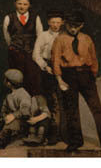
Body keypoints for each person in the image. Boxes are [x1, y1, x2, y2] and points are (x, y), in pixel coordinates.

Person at [51, 10, 101, 152]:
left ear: (82, 25)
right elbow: (55, 60)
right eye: (70, 26)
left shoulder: (87, 39)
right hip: (69, 76)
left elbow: (93, 59)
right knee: (72, 110)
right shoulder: (60, 39)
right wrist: (59, 80)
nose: (73, 29)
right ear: (65, 24)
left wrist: (92, 75)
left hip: (86, 76)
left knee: (97, 109)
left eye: (77, 26)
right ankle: (76, 142)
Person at [0, 69, 51, 150]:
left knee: (13, 125)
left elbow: (25, 111)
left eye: (5, 79)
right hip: (12, 122)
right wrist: (4, 116)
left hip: (23, 122)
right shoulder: (8, 96)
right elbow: (4, 109)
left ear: (9, 83)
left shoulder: (23, 94)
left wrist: (13, 115)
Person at [32, 10, 66, 144]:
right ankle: (50, 134)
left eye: (58, 22)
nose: (55, 25)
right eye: (53, 22)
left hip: (63, 69)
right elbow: (36, 54)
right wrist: (45, 66)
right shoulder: (43, 36)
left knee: (61, 102)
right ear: (48, 22)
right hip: (47, 69)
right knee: (50, 101)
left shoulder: (65, 35)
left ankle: (61, 134)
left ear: (62, 23)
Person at [3, 0, 44, 96]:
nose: (22, 7)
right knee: (16, 81)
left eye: (25, 4)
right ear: (15, 4)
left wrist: (35, 52)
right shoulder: (8, 18)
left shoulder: (36, 18)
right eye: (19, 3)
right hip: (15, 55)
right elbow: (7, 38)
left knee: (32, 81)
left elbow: (40, 37)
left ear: (29, 5)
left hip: (31, 55)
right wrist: (14, 48)